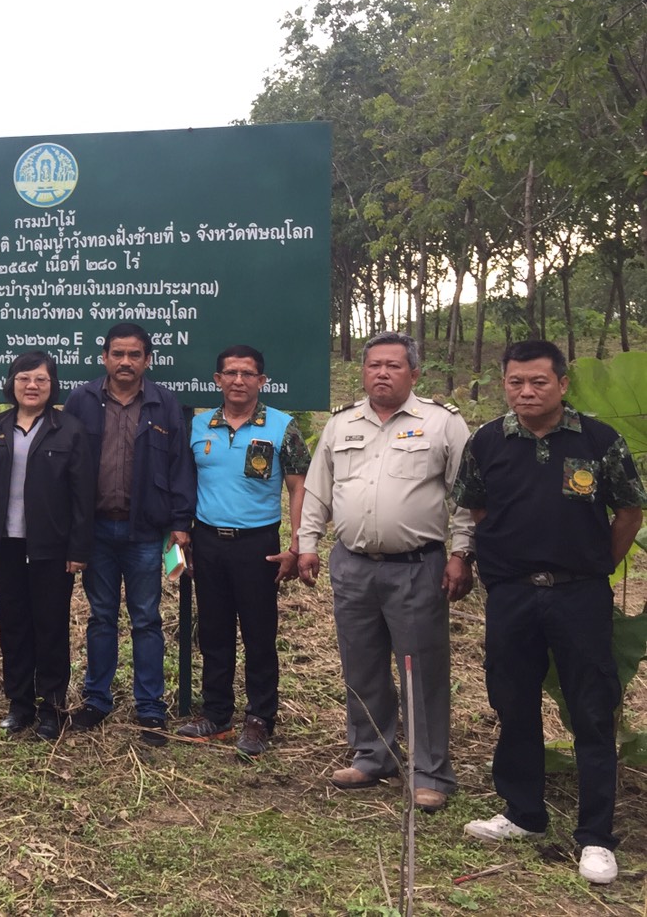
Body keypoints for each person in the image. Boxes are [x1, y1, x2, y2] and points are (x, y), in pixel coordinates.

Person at [452, 340, 645, 886]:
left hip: (579, 595)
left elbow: (629, 511)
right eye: (516, 382)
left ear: (561, 384)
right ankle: (523, 813)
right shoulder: (487, 441)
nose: (526, 392)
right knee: (512, 701)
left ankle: (596, 836)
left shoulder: (597, 440)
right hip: (512, 594)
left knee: (592, 708)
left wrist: (595, 565)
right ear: (505, 384)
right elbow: (477, 506)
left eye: (538, 382)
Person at [297, 330, 474, 813]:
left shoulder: (441, 423)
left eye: (393, 366)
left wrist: (462, 553)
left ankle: (429, 771)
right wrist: (307, 544)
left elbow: (468, 496)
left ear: (413, 373)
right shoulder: (342, 424)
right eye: (374, 365)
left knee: (421, 669)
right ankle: (373, 755)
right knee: (362, 664)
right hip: (352, 565)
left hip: (416, 567)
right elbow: (318, 490)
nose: (382, 373)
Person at [62, 323, 196, 745]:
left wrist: (180, 523)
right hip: (96, 529)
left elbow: (179, 465)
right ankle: (96, 700)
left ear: (147, 360)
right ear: (104, 357)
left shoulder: (164, 403)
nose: (125, 362)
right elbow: (64, 463)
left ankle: (150, 708)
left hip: (145, 531)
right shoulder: (81, 400)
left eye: (134, 355)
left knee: (146, 619)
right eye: (117, 354)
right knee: (101, 616)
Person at [182, 344, 309, 755]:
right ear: (217, 380)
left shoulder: (283, 427)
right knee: (213, 631)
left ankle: (259, 719)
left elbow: (299, 487)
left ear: (262, 381)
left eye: (248, 374)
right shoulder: (199, 425)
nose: (239, 381)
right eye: (231, 373)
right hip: (207, 541)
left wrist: (297, 544)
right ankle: (216, 713)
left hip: (258, 545)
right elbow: (185, 483)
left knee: (259, 634)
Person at [0, 351, 94, 741]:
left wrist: (78, 549)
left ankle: (51, 707)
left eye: (40, 379)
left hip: (52, 548)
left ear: (53, 385)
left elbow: (83, 496)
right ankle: (19, 704)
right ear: (12, 383)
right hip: (5, 545)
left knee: (50, 626)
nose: (31, 386)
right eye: (23, 378)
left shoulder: (69, 430)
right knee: (13, 626)